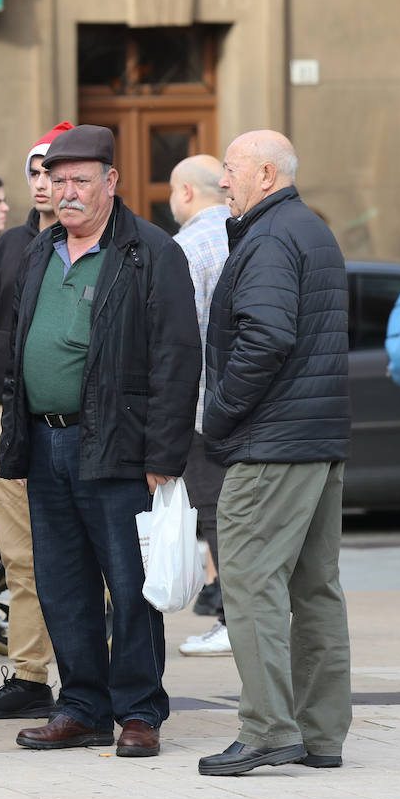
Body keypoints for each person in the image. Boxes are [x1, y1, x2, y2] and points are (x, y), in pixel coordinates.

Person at [0, 124, 199, 758]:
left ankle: (139, 711)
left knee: (130, 583)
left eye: (80, 180)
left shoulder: (151, 251)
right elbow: (12, 343)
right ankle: (82, 706)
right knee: (62, 583)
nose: (67, 192)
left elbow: (177, 357)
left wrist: (163, 455)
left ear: (111, 182)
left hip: (119, 445)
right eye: (57, 181)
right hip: (46, 440)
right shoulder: (38, 250)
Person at [198, 129, 352, 776]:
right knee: (316, 588)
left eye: (231, 171)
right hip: (315, 438)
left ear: (265, 173)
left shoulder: (267, 237)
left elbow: (264, 339)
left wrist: (220, 412)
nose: (224, 183)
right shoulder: (310, 229)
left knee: (250, 582)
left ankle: (266, 729)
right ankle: (320, 733)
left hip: (272, 442)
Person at [0, 122, 70, 720]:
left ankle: (87, 673)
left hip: (69, 422)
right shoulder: (9, 245)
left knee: (77, 552)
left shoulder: (105, 246)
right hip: (2, 416)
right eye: (34, 172)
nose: (42, 183)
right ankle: (30, 675)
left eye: (54, 172)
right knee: (18, 554)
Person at [167, 155, 234, 656]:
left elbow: (178, 336)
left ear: (186, 192)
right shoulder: (244, 234)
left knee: (214, 517)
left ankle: (232, 619)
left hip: (201, 409)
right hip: (246, 404)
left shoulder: (188, 246)